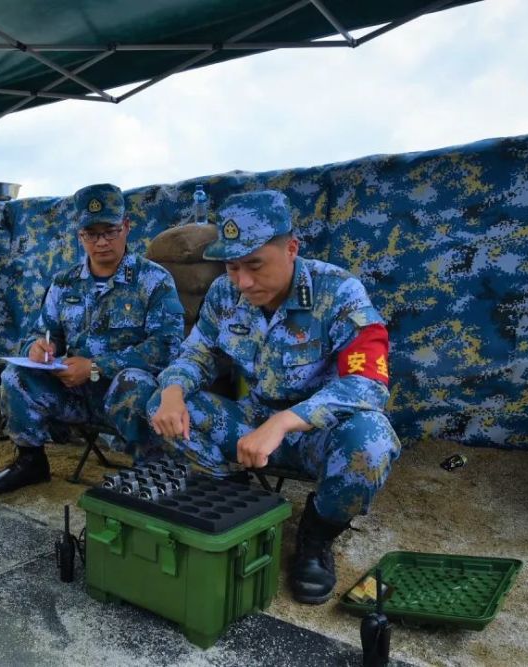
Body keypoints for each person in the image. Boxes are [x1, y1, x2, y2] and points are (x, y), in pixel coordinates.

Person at [127, 189, 400, 604]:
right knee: (160, 406)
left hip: (315, 432)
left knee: (372, 441)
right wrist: (173, 390)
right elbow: (197, 353)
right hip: (249, 425)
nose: (243, 281)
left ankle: (315, 536)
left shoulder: (339, 291)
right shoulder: (224, 293)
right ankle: (238, 500)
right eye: (233, 267)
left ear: (291, 249)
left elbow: (368, 383)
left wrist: (284, 421)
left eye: (254, 265)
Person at [0, 183, 185, 496]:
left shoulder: (153, 280)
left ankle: (151, 469)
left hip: (124, 396)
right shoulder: (64, 283)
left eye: (110, 231)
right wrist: (38, 348)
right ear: (80, 236)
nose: (102, 242)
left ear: (126, 228)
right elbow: (43, 332)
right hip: (74, 394)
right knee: (15, 375)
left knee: (133, 382)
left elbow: (166, 347)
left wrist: (95, 367)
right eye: (92, 234)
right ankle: (31, 460)